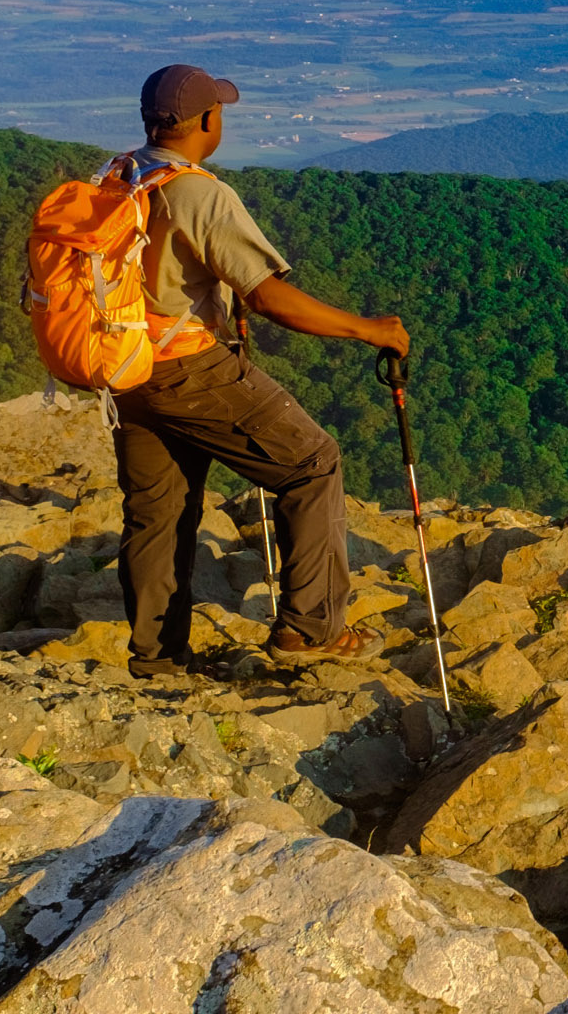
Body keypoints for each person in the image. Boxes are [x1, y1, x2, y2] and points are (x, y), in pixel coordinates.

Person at [115, 63, 408, 677]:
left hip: (126, 369)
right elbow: (268, 296)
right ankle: (311, 628)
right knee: (311, 463)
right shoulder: (197, 193)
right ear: (206, 121)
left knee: (158, 511)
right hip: (190, 368)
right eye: (218, 111)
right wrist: (368, 329)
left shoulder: (117, 176)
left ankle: (156, 658)